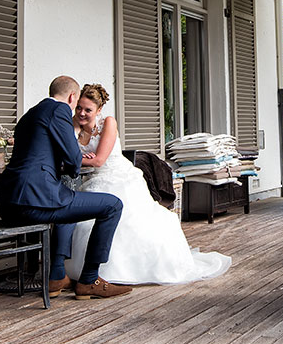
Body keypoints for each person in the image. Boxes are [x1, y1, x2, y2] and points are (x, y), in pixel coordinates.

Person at [65, 83, 231, 285]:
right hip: (91, 180)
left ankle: (121, 270)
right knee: (83, 222)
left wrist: (78, 159)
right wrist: (76, 142)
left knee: (129, 222)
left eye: (88, 110)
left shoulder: (108, 123)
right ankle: (87, 270)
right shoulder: (74, 125)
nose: (82, 113)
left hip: (118, 177)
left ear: (99, 110)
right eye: (79, 108)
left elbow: (99, 160)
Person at [0, 75, 131, 299]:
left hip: (9, 205)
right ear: (72, 97)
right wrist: (71, 163)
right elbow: (72, 159)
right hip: (34, 200)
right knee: (113, 205)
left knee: (67, 209)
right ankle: (89, 280)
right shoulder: (58, 111)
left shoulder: (29, 115)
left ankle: (57, 275)